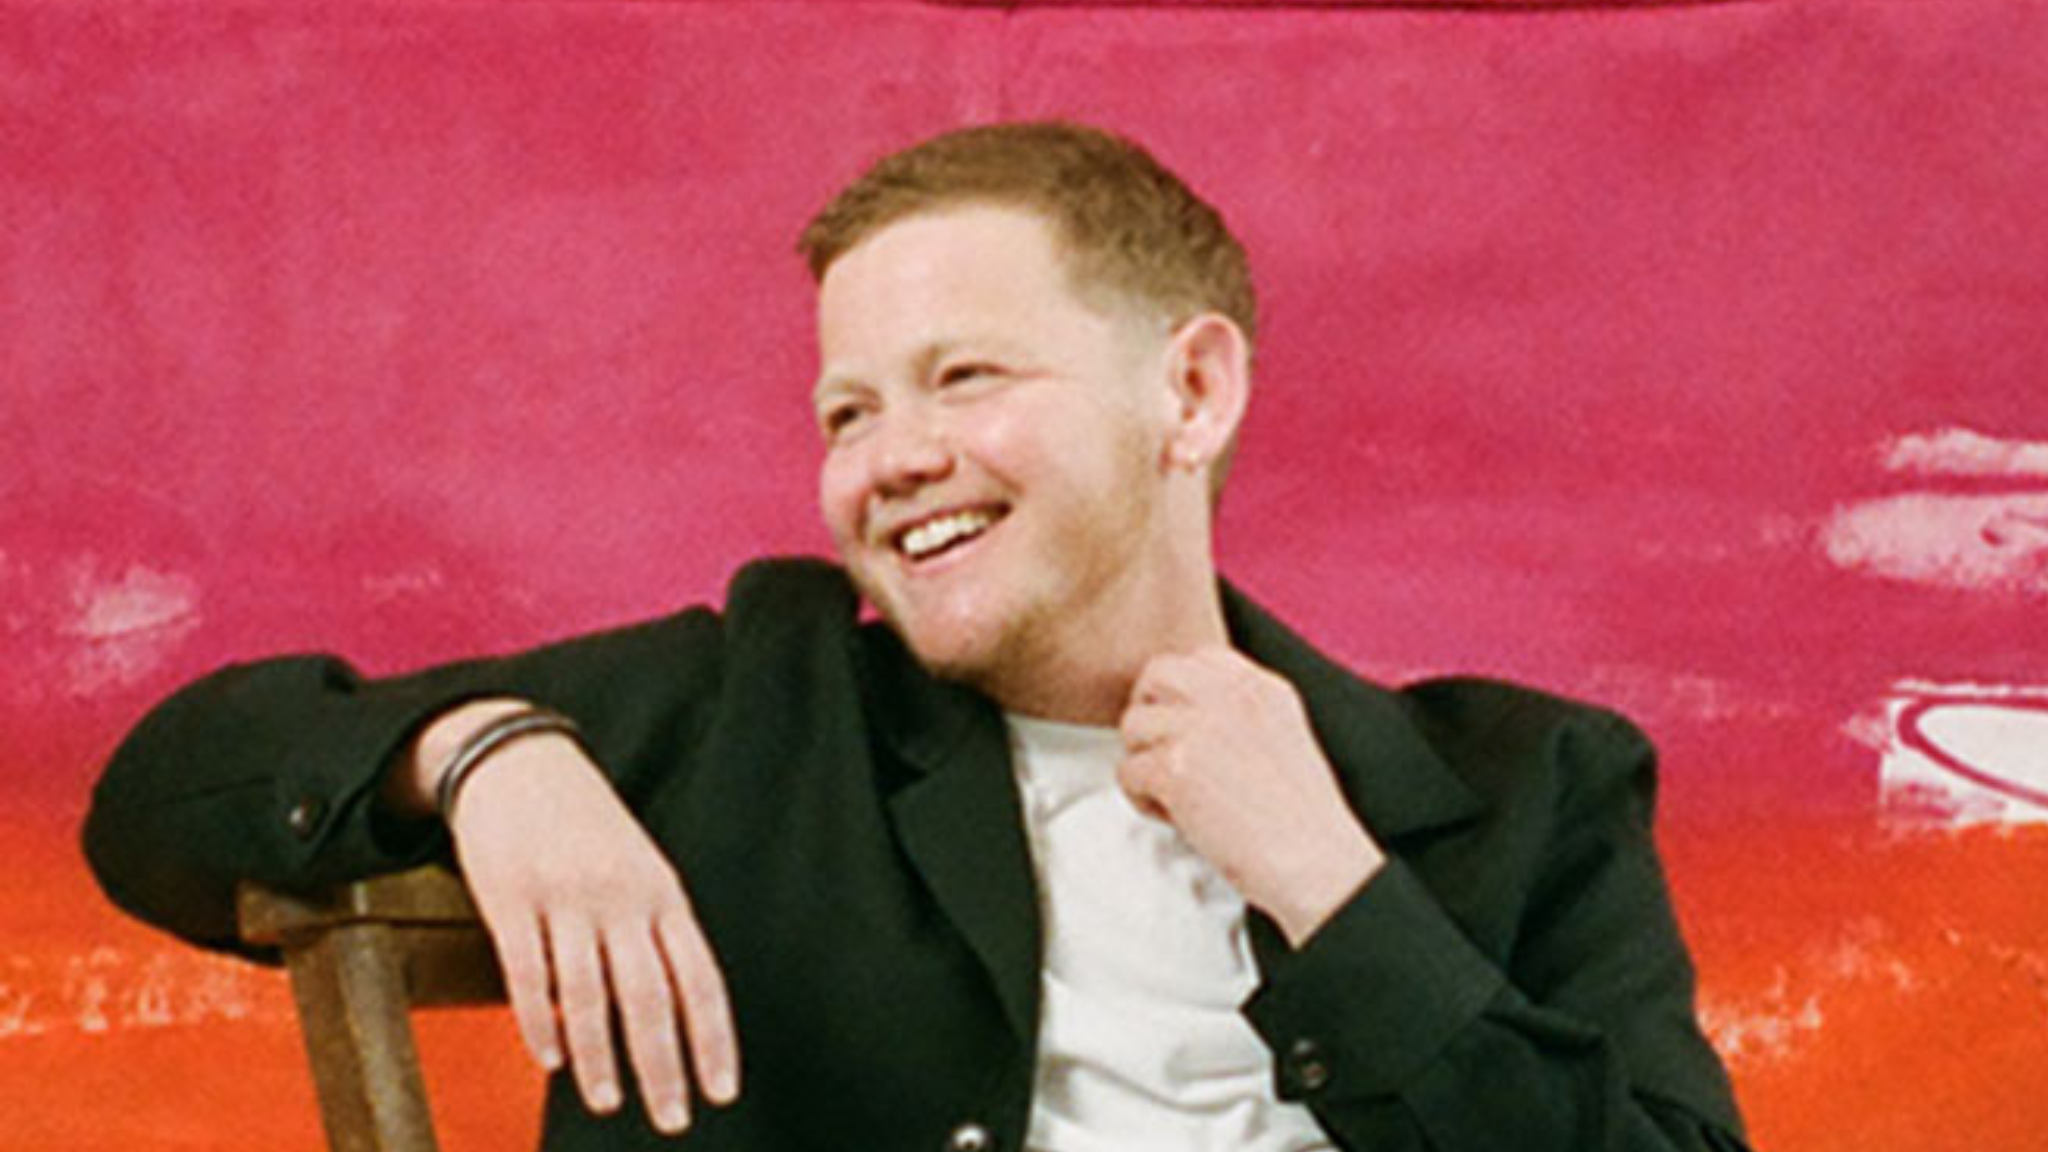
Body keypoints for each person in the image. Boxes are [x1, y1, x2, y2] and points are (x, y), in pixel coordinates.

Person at [84, 122, 1750, 1152]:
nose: (888, 461)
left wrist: (1335, 887)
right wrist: (481, 751)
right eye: (848, 411)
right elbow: (160, 800)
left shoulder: (1524, 785)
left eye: (965, 379)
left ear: (1189, 392)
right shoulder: (763, 701)